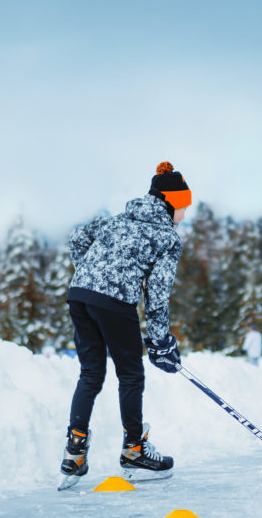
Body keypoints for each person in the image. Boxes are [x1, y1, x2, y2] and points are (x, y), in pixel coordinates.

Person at [58, 162, 191, 488]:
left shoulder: (116, 221)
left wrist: (91, 272)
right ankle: (134, 450)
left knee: (91, 373)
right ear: (170, 202)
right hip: (114, 301)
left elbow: (77, 237)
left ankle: (74, 452)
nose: (185, 214)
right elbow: (157, 296)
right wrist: (160, 342)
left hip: (79, 295)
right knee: (130, 373)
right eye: (184, 206)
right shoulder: (165, 237)